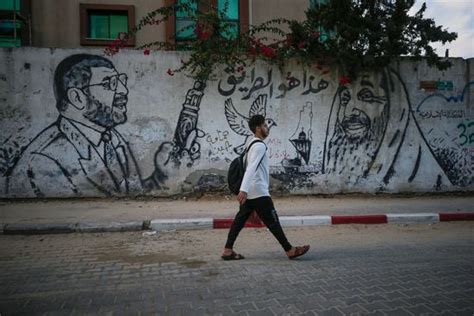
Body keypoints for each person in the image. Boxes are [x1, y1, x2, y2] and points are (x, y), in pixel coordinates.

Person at [5, 54, 194, 197]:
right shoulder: (42, 160)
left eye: (121, 81)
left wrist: (162, 177)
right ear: (77, 97)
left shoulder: (110, 138)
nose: (123, 90)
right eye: (110, 84)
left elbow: (129, 194)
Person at [222, 114, 310, 260]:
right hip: (258, 191)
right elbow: (251, 168)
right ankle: (289, 250)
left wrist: (245, 189)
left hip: (251, 190)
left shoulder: (250, 145)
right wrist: (243, 189)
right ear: (258, 129)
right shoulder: (259, 146)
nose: (267, 127)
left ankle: (227, 250)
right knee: (273, 222)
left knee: (239, 221)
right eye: (264, 125)